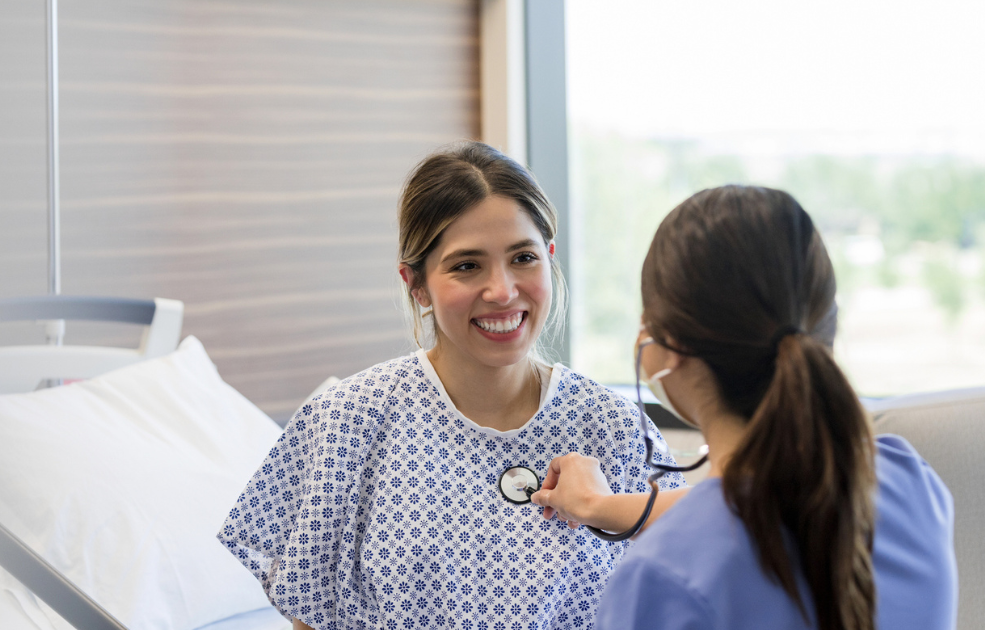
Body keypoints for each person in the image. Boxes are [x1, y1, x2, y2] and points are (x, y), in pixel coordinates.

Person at [217, 141, 685, 630]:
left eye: (523, 257)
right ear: (416, 285)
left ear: (549, 258)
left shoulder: (613, 426)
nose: (502, 291)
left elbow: (692, 575)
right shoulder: (347, 423)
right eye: (466, 266)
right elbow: (311, 617)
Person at [531, 185, 957, 630]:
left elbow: (727, 523)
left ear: (667, 345)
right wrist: (601, 505)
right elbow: (754, 506)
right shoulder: (908, 482)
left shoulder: (662, 577)